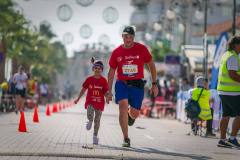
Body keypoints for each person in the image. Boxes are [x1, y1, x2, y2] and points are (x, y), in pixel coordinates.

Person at [107, 26, 158, 147]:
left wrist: (154, 84)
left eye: (130, 37)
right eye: (126, 36)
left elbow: (151, 64)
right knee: (122, 107)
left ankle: (131, 116)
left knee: (134, 113)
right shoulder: (116, 52)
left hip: (137, 85)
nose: (128, 39)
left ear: (133, 37)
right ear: (122, 37)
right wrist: (108, 91)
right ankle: (126, 138)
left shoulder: (141, 49)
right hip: (122, 84)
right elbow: (111, 72)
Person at [74, 57, 109, 145]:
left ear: (102, 70)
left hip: (100, 103)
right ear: (93, 69)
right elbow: (83, 89)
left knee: (97, 120)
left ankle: (95, 136)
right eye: (96, 68)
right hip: (90, 101)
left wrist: (108, 97)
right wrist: (78, 98)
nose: (97, 70)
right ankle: (89, 120)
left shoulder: (104, 81)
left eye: (99, 68)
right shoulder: (89, 79)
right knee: (90, 112)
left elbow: (105, 92)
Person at [217, 36, 240, 148]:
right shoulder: (233, 57)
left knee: (225, 115)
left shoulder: (226, 55)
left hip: (223, 90)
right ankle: (232, 138)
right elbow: (232, 75)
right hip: (232, 92)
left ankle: (222, 139)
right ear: (236, 45)